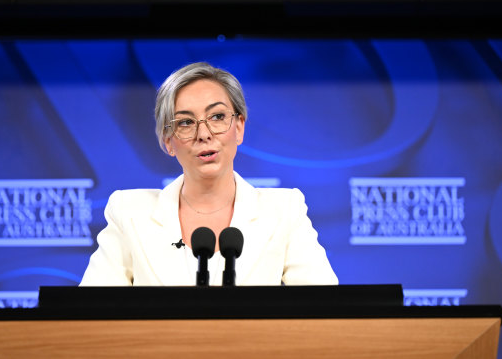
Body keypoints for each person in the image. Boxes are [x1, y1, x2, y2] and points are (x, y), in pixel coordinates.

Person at [80, 62, 338, 286]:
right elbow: (88, 316)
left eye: (217, 116)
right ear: (168, 141)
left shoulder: (285, 210)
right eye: (185, 122)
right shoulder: (129, 212)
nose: (203, 134)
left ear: (238, 127)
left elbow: (327, 309)